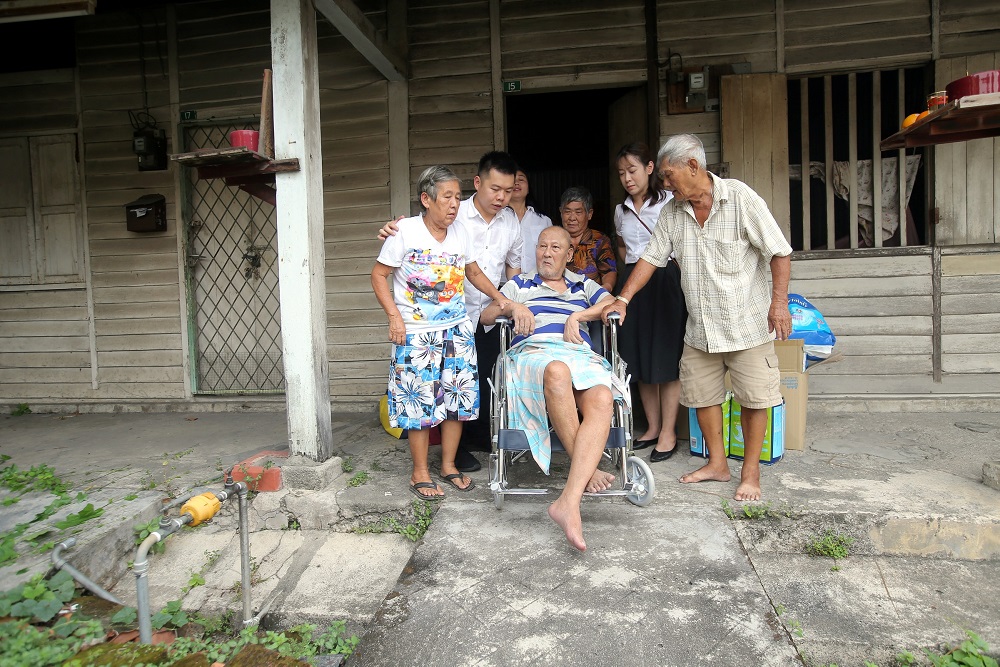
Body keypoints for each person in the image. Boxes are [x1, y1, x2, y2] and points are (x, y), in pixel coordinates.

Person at [603, 134, 792, 502]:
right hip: (701, 329)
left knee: (755, 399)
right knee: (703, 397)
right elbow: (651, 258)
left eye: (668, 175)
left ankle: (750, 472)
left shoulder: (740, 198)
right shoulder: (673, 213)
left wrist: (779, 303)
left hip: (746, 325)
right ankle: (718, 464)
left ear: (693, 166)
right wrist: (624, 298)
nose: (664, 183)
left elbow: (779, 252)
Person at [371, 165, 528, 500]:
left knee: (457, 399)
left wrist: (500, 299)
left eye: (458, 197)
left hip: (457, 330)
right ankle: (419, 472)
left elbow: (473, 271)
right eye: (447, 197)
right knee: (419, 403)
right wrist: (394, 317)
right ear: (426, 199)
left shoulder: (460, 232)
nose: (455, 204)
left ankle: (448, 465)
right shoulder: (405, 232)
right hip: (417, 333)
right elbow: (378, 275)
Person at [481, 226, 617, 552]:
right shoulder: (520, 284)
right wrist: (512, 307)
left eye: (556, 248)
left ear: (569, 254)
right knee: (557, 371)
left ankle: (568, 501)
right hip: (534, 353)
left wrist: (579, 315)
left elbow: (612, 304)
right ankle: (586, 472)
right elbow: (486, 316)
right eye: (542, 246)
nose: (547, 253)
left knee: (603, 395)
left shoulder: (583, 284)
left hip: (578, 353)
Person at [612, 143, 687, 464]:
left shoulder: (670, 202)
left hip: (665, 281)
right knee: (639, 358)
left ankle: (669, 431)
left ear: (650, 168)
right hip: (632, 285)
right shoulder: (621, 210)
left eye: (632, 170)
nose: (627, 179)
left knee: (666, 359)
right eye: (621, 174)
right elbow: (622, 247)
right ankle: (653, 427)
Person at [509, 169, 552, 275]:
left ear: (528, 188)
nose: (516, 183)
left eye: (521, 179)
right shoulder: (497, 218)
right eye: (512, 180)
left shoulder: (544, 221)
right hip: (502, 282)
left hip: (536, 281)